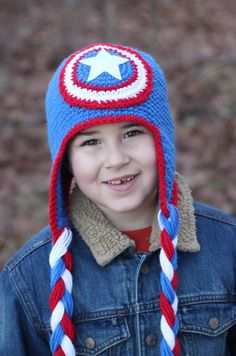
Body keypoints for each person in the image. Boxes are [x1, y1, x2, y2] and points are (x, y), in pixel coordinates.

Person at [0, 43, 235, 356]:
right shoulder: (28, 279)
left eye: (132, 133)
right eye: (91, 141)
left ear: (162, 139)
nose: (115, 159)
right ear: (66, 161)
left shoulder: (227, 248)